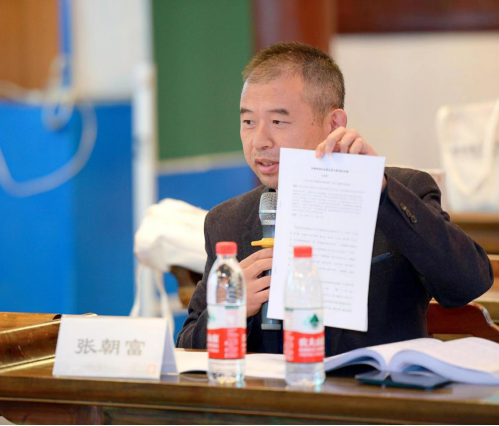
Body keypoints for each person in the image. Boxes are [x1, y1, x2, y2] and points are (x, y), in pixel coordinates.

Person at [176, 42, 495, 356]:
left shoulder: (402, 191)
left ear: (334, 124)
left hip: (372, 386)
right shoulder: (227, 221)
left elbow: (466, 284)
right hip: (271, 389)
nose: (259, 141)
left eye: (278, 121)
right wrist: (228, 311)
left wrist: (381, 191)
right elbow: (187, 344)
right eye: (248, 122)